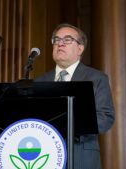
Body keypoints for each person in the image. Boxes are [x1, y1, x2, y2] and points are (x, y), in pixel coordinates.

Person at [34, 23, 115, 169]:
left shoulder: (96, 78)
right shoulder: (39, 81)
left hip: (80, 154)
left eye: (67, 39)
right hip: (44, 156)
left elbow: (105, 117)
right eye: (57, 40)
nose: (60, 44)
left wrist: (70, 124)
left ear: (80, 48)